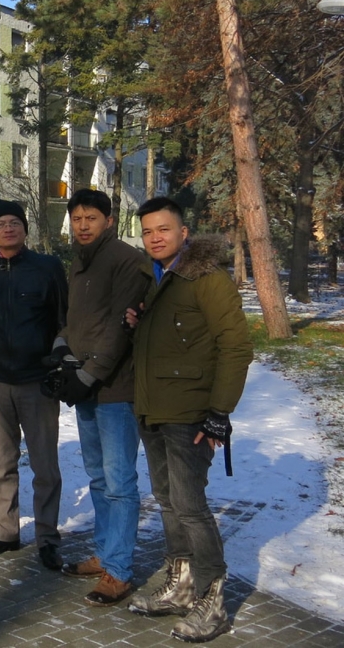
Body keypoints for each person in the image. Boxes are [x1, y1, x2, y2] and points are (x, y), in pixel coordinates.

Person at [125, 198, 252, 643]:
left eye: (164, 229)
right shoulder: (154, 278)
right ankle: (180, 586)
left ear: (184, 233)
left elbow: (236, 347)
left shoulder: (207, 280)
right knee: (166, 500)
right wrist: (137, 321)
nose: (155, 237)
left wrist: (219, 413)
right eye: (148, 231)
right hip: (153, 408)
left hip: (190, 414)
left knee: (191, 506)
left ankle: (212, 598)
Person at [54, 188, 151, 606]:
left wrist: (89, 375)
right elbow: (76, 323)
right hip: (87, 387)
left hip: (116, 390)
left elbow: (119, 329)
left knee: (119, 482)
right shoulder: (79, 263)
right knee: (97, 477)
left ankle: (120, 571)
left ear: (109, 221)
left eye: (91, 217)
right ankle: (106, 551)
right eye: (76, 218)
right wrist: (61, 353)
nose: (82, 225)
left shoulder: (128, 261)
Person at [0, 199, 68, 570]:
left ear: (25, 229)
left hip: (37, 382)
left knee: (45, 465)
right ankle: (5, 533)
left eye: (15, 222)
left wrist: (58, 362)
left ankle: (47, 538)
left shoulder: (47, 267)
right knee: (1, 462)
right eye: (1, 224)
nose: (8, 228)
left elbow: (64, 319)